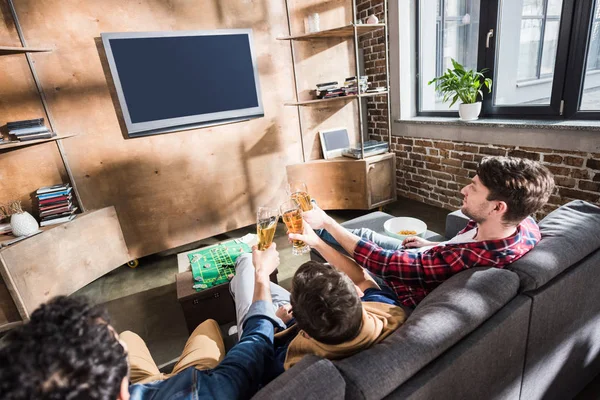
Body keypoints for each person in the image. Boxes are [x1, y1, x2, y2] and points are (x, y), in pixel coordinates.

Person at [0, 244, 283, 400]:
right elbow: (253, 351)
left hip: (150, 386)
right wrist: (260, 276)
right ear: (121, 391)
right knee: (207, 326)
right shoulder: (200, 393)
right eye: (116, 348)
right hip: (185, 381)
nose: (118, 344)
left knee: (131, 336)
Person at [290, 156, 555, 309]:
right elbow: (455, 246)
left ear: (498, 207)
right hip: (429, 252)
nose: (464, 190)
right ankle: (314, 225)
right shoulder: (524, 225)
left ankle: (314, 228)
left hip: (403, 283)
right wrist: (428, 244)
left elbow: (384, 263)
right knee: (364, 234)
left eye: (474, 187)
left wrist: (328, 222)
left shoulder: (469, 260)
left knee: (353, 254)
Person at [230, 247, 407, 383]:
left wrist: (276, 322)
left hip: (275, 327)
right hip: (305, 320)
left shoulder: (286, 363)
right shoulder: (387, 310)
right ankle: (236, 283)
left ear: (304, 332)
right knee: (246, 280)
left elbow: (255, 349)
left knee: (246, 263)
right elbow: (363, 278)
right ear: (358, 297)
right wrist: (315, 239)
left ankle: (236, 280)